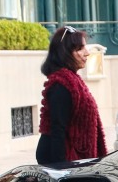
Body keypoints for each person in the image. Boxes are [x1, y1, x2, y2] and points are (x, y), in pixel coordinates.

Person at [36, 26, 106, 165]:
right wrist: (62, 171)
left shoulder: (73, 80)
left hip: (77, 161)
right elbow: (58, 130)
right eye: (80, 49)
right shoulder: (61, 84)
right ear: (65, 53)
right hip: (65, 163)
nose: (87, 53)